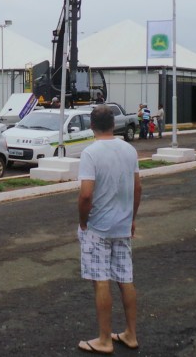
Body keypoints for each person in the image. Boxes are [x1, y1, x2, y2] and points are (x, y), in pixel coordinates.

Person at [76, 105, 142, 354]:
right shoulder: (129, 150)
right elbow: (137, 188)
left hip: (98, 227)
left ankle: (104, 339)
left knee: (101, 279)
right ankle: (131, 334)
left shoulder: (90, 153)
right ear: (113, 125)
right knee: (125, 278)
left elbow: (85, 195)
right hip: (122, 225)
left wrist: (83, 222)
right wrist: (132, 218)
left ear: (91, 126)